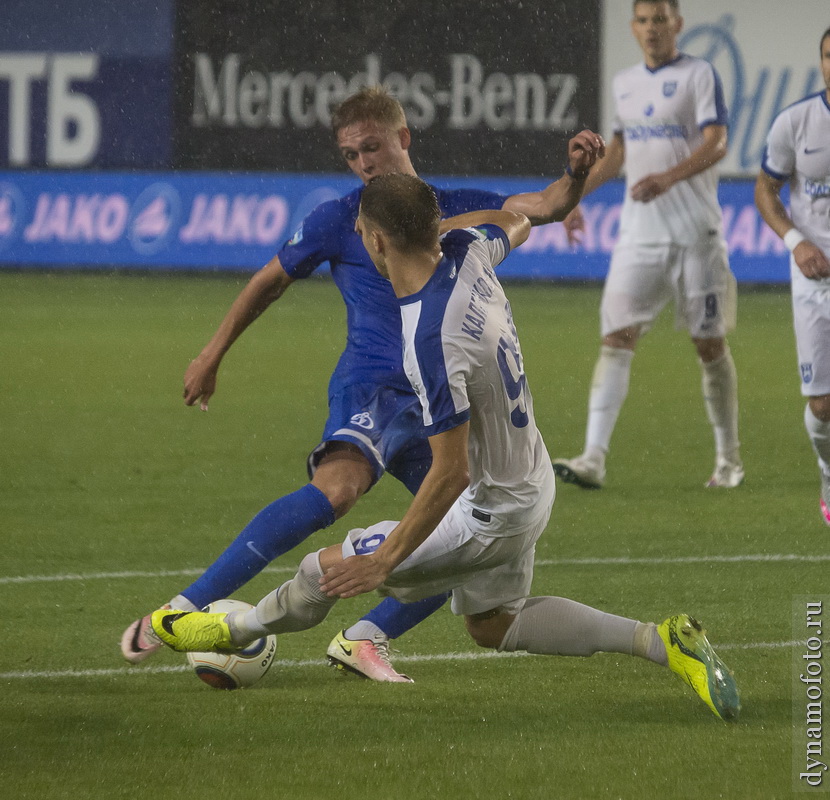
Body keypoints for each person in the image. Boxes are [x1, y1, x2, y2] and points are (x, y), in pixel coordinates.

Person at [149, 174, 740, 722]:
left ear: (377, 241)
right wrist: (575, 180)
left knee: (322, 569)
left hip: (490, 510)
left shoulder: (430, 336)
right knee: (493, 624)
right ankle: (663, 642)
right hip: (531, 478)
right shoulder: (471, 249)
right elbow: (528, 216)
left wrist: (385, 559)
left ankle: (231, 630)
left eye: (362, 236)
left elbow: (450, 471)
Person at [121, 86, 605, 681]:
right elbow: (268, 281)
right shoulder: (342, 218)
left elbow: (547, 204)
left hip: (441, 397)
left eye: (371, 147)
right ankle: (186, 606)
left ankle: (364, 638)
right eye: (350, 154)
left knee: (452, 529)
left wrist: (576, 175)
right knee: (339, 490)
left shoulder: (454, 207)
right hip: (373, 387)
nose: (363, 163)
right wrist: (211, 354)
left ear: (403, 138)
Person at [551, 0, 743, 490]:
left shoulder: (699, 74)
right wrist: (570, 197)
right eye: (643, 20)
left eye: (661, 19)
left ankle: (729, 460)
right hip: (639, 235)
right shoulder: (626, 83)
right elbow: (617, 153)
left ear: (677, 24)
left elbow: (718, 142)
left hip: (696, 236)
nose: (652, 28)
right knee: (615, 339)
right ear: (634, 29)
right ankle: (593, 457)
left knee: (709, 345)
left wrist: (668, 177)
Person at [755, 27, 830, 525]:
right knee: (823, 405)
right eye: (829, 55)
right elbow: (766, 190)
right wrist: (795, 241)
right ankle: (828, 472)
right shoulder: (797, 122)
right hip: (815, 278)